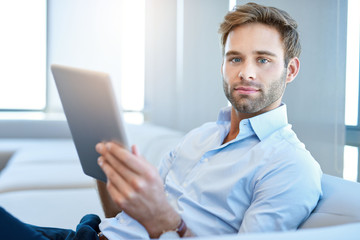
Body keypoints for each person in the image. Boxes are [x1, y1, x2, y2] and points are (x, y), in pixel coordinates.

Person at [0, 2, 322, 240]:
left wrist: (168, 221)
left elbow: (156, 223)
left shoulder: (291, 166)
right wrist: (108, 171)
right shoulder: (200, 138)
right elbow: (127, 220)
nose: (246, 72)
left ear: (290, 70)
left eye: (263, 60)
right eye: (235, 58)